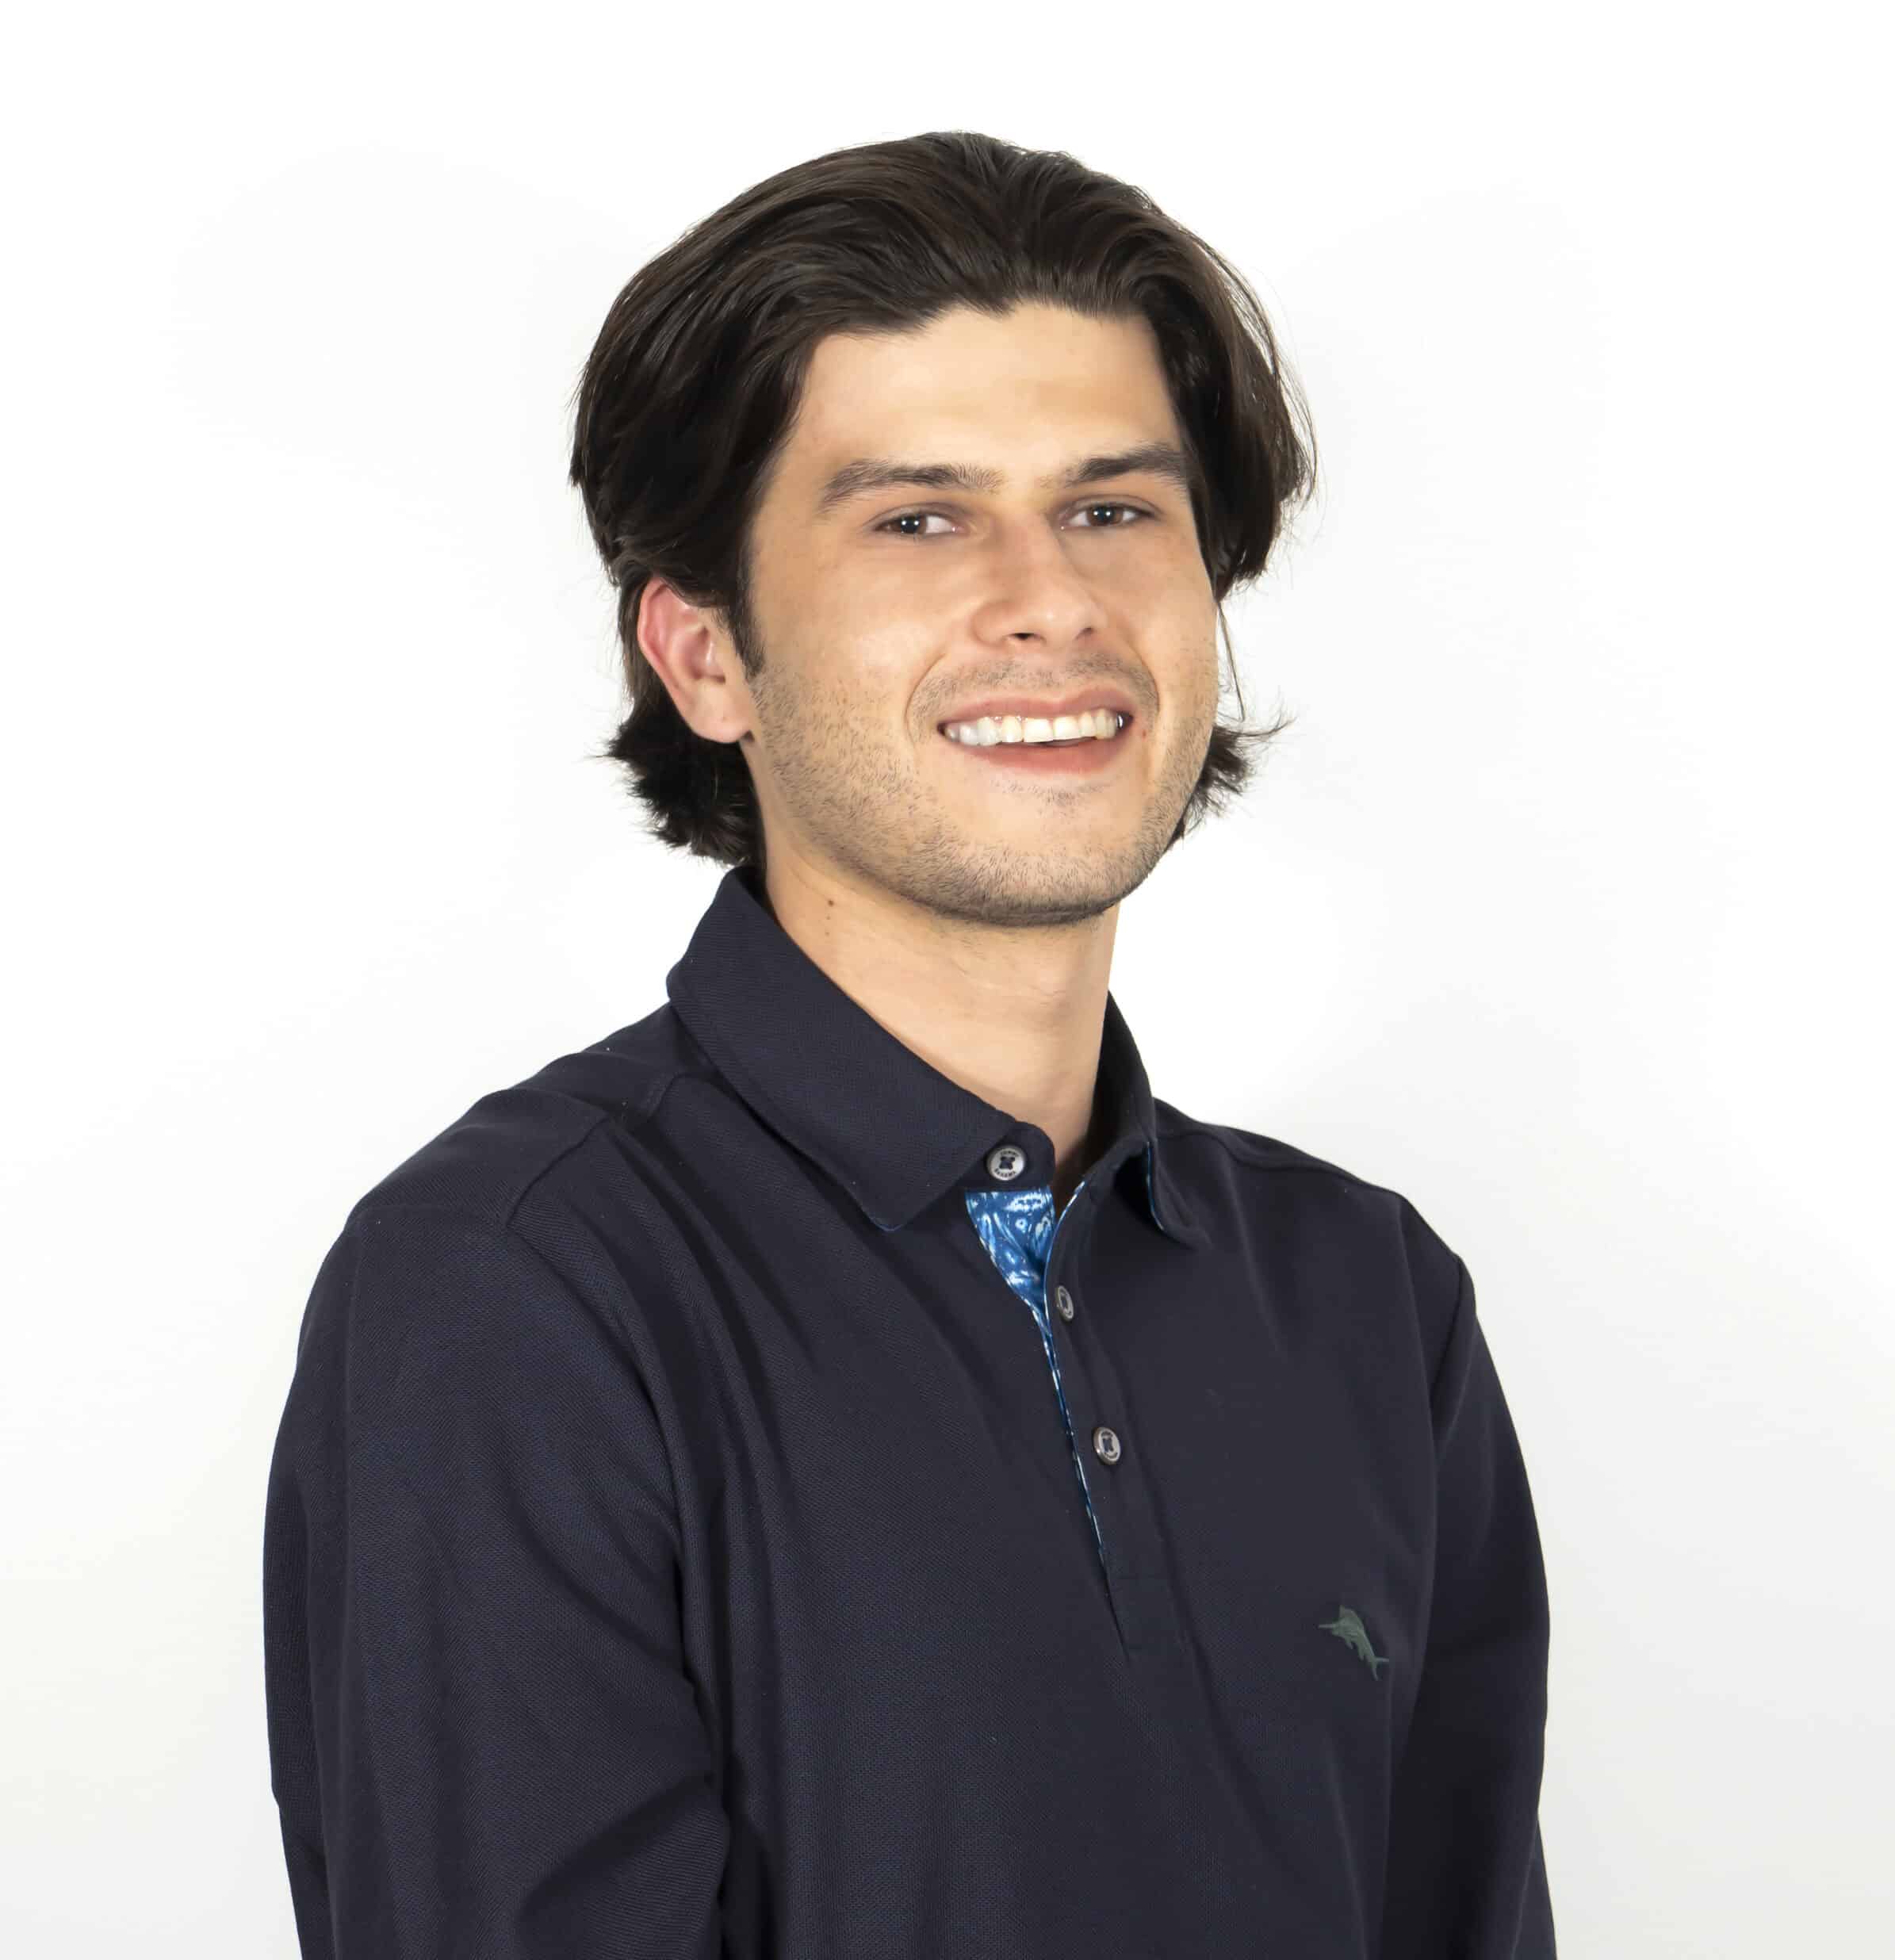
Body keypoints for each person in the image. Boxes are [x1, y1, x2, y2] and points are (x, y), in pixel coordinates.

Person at [262, 128, 1556, 1958]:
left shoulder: (1370, 1298)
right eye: (918, 517)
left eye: (1112, 507)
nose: (1046, 598)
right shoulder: (521, 1287)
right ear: (704, 654)